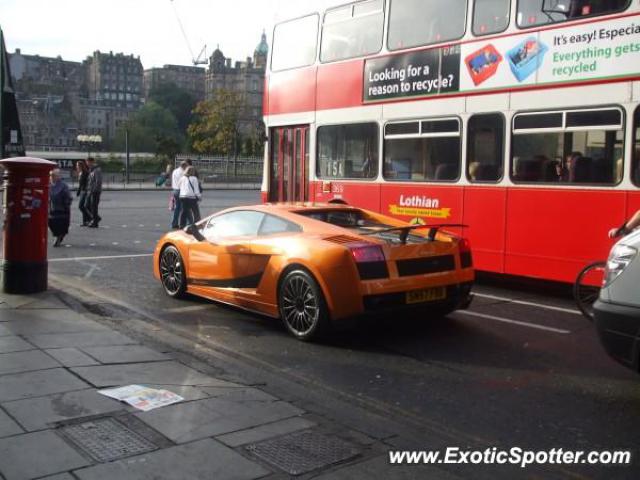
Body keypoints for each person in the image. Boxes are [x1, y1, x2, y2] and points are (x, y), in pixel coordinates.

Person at [48, 169, 73, 247]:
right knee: (51, 222)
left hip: (62, 208)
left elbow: (69, 197)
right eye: (51, 175)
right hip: (51, 208)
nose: (51, 177)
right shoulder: (48, 185)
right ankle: (58, 235)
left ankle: (59, 237)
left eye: (53, 175)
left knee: (62, 224)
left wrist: (66, 204)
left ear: (58, 177)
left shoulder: (63, 185)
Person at [86, 157, 103, 228]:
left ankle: (95, 222)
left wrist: (94, 189)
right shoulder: (91, 170)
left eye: (88, 162)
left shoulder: (97, 170)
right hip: (91, 190)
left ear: (92, 162)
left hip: (95, 191)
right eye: (87, 162)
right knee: (88, 205)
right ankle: (96, 218)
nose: (87, 164)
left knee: (94, 207)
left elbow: (98, 181)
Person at [170, 161, 187, 229]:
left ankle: (174, 223)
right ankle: (182, 224)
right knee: (183, 208)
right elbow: (184, 182)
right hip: (181, 190)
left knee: (177, 208)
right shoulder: (183, 172)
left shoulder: (175, 171)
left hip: (175, 190)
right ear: (184, 166)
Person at [75, 159, 91, 226]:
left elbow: (82, 183)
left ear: (80, 166)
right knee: (83, 206)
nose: (76, 167)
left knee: (81, 206)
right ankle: (85, 222)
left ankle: (90, 218)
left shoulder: (85, 173)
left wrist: (78, 191)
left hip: (85, 191)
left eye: (77, 165)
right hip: (83, 191)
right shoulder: (81, 173)